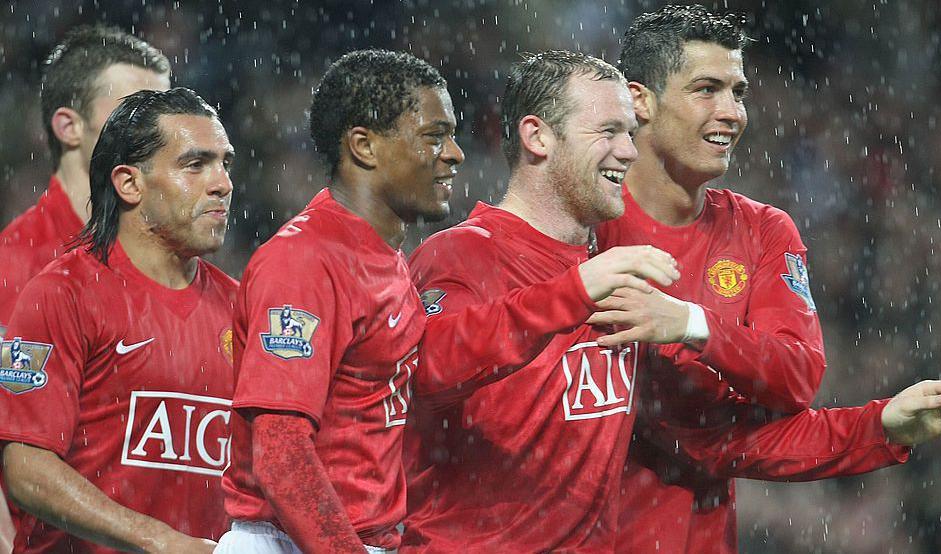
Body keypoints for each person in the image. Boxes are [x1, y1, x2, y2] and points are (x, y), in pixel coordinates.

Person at [402, 50, 941, 553]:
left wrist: (877, 427)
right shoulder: (461, 257)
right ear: (537, 136)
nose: (628, 152)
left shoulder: (611, 278)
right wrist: (572, 293)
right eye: (608, 132)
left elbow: (712, 441)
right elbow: (426, 370)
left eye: (630, 133)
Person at [217, 49, 677, 554]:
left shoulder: (378, 256)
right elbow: (281, 453)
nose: (456, 153)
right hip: (295, 540)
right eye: (434, 137)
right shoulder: (304, 260)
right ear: (365, 147)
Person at [588, 5, 941, 552]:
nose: (731, 113)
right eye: (706, 89)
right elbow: (712, 441)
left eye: (738, 92)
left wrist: (692, 324)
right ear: (640, 100)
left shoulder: (764, 231)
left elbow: (795, 376)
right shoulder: (582, 224)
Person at [0, 88, 236, 554]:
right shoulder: (62, 293)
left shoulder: (241, 305)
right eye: (196, 165)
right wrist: (160, 542)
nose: (222, 184)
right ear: (129, 184)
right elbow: (26, 465)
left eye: (225, 164)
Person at [0, 28, 169, 551]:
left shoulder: (179, 270)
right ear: (68, 127)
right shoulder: (13, 267)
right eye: (136, 111)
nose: (163, 130)